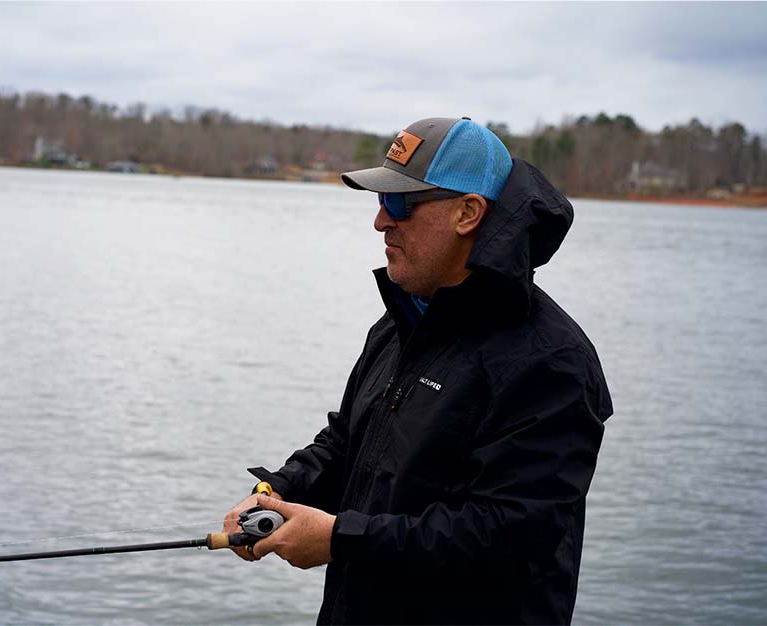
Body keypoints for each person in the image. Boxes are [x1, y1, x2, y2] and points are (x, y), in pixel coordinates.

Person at [222, 117, 614, 624]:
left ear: (467, 213)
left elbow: (507, 533)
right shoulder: (402, 319)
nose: (381, 222)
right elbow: (348, 442)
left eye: (400, 204)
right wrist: (277, 491)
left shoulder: (552, 361)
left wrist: (338, 538)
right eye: (380, 202)